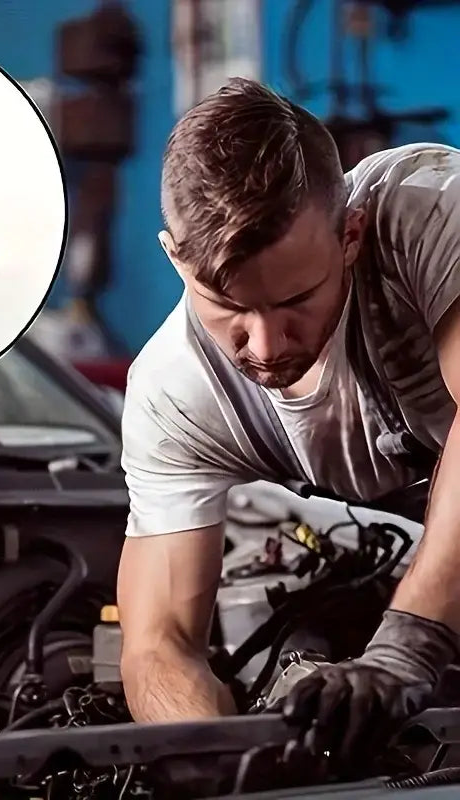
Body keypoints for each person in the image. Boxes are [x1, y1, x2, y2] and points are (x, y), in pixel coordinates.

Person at [117, 77, 460, 763]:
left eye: (297, 299)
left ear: (351, 234)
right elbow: (159, 644)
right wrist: (215, 756)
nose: (266, 346)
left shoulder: (425, 209)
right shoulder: (174, 393)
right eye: (229, 307)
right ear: (173, 256)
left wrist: (404, 649)